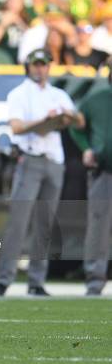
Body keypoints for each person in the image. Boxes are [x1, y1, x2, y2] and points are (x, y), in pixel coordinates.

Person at [0, 49, 83, 297]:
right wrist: (44, 120)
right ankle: (4, 280)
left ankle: (36, 281)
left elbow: (79, 121)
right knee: (18, 223)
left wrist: (65, 117)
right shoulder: (19, 94)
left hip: (54, 161)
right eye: (36, 64)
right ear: (29, 66)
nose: (40, 69)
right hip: (30, 160)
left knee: (45, 223)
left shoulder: (58, 94)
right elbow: (17, 127)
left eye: (44, 65)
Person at [70, 57, 112, 296]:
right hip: (104, 171)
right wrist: (85, 147)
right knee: (98, 226)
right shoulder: (97, 99)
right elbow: (77, 126)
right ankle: (95, 281)